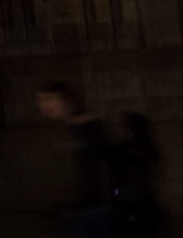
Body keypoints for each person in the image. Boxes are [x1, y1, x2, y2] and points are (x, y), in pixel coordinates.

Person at [36, 81, 113, 236]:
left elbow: (107, 155)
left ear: (65, 100)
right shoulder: (57, 130)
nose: (44, 105)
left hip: (92, 206)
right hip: (69, 208)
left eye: (49, 99)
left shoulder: (87, 126)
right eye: (41, 100)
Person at [110, 111, 164, 237]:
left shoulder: (127, 149)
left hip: (135, 204)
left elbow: (125, 181)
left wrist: (119, 198)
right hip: (137, 202)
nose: (118, 130)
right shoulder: (143, 148)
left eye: (122, 126)